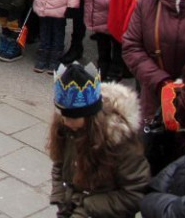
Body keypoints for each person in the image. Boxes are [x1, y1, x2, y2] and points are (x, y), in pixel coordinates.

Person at [124, 0, 185, 169]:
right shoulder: (149, 1)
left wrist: (182, 91)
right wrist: (162, 84)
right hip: (154, 101)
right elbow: (131, 46)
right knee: (151, 166)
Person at [48, 62, 150, 218]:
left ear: (90, 118)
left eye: (73, 118)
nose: (66, 122)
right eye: (64, 116)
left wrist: (86, 206)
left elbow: (135, 193)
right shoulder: (65, 127)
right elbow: (59, 164)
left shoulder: (120, 141)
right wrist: (60, 196)